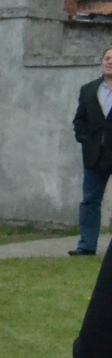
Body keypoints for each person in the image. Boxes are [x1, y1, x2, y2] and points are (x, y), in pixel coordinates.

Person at [73, 46, 112, 256]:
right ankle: (86, 246)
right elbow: (79, 121)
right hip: (94, 156)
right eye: (107, 58)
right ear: (101, 62)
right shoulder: (88, 90)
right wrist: (85, 139)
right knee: (90, 201)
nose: (110, 62)